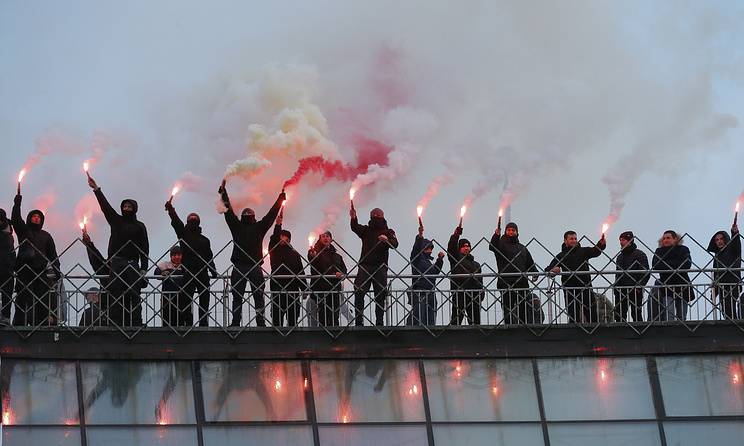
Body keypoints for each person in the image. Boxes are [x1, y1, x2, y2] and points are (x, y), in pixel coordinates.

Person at [219, 181, 285, 327]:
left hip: (240, 267)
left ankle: (236, 322)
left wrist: (223, 193)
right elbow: (271, 214)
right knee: (258, 295)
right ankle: (259, 321)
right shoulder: (259, 227)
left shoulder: (237, 226)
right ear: (254, 217)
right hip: (254, 267)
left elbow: (228, 211)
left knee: (238, 296)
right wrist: (281, 199)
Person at [87, 176, 149, 326]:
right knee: (115, 293)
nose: (126, 209)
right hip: (116, 262)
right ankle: (115, 322)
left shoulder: (140, 226)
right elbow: (105, 207)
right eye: (124, 206)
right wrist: (96, 190)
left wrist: (144, 268)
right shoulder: (116, 220)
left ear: (134, 209)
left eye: (129, 207)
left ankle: (136, 322)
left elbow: (144, 247)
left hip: (133, 264)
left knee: (134, 293)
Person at [164, 201, 217, 327]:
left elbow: (209, 256)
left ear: (198, 222)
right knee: (186, 299)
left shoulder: (205, 240)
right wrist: (171, 210)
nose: (193, 220)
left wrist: (213, 270)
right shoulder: (183, 235)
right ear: (188, 222)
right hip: (188, 272)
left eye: (195, 219)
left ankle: (203, 323)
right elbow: (177, 223)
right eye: (191, 218)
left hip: (202, 273)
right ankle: (188, 323)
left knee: (204, 299)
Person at [11, 193, 59, 326]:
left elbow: (53, 255)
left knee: (42, 299)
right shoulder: (24, 230)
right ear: (29, 218)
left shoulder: (46, 236)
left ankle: (41, 323)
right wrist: (17, 203)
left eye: (39, 217)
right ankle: (19, 323)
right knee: (22, 297)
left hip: (40, 271)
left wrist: (57, 270)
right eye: (34, 216)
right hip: (25, 269)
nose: (36, 218)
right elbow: (15, 219)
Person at [350, 207, 399, 326]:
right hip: (366, 265)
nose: (376, 216)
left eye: (378, 215)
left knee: (380, 294)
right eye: (374, 215)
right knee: (359, 291)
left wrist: (387, 240)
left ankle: (379, 322)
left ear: (383, 216)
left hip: (380, 267)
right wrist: (353, 218)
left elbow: (395, 244)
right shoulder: (366, 230)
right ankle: (359, 321)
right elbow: (355, 227)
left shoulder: (388, 231)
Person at [545, 231, 606, 324]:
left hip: (585, 287)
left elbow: (596, 251)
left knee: (591, 313)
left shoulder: (583, 251)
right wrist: (553, 269)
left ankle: (594, 334)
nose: (574, 241)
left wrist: (601, 244)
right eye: (571, 239)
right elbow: (548, 269)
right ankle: (574, 334)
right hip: (570, 289)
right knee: (573, 315)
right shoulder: (561, 255)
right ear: (565, 240)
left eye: (575, 238)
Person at [489, 222, 538, 324]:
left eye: (513, 230)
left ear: (517, 232)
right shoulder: (501, 245)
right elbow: (492, 246)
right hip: (506, 282)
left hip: (521, 282)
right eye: (509, 230)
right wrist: (496, 235)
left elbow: (530, 263)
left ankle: (523, 326)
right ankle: (508, 328)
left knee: (523, 307)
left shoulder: (522, 248)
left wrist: (535, 273)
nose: (511, 232)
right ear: (505, 231)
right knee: (508, 308)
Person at [267, 213, 306, 327]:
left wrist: (304, 288)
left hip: (292, 290)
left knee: (293, 319)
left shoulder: (295, 254)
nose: (282, 238)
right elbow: (274, 238)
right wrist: (278, 225)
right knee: (276, 319)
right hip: (277, 288)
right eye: (281, 236)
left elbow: (300, 271)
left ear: (289, 239)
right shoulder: (274, 250)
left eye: (285, 236)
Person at [308, 231, 347, 326]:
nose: (325, 238)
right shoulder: (316, 252)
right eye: (323, 236)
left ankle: (335, 335)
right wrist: (312, 254)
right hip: (321, 288)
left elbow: (344, 270)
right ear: (320, 239)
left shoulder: (337, 256)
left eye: (327, 236)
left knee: (335, 314)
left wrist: (341, 274)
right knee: (323, 315)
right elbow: (313, 260)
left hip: (335, 289)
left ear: (331, 239)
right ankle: (324, 336)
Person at [447, 225, 484, 325]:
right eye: (463, 246)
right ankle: (454, 337)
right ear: (459, 248)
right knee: (456, 320)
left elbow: (480, 280)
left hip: (474, 295)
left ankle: (477, 338)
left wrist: (482, 293)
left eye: (468, 246)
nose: (466, 248)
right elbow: (451, 248)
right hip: (460, 293)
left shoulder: (476, 264)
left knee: (475, 322)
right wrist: (456, 235)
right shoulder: (456, 258)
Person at [652, 230, 692, 321]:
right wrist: (676, 264)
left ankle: (681, 334)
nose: (665, 240)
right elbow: (655, 265)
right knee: (669, 315)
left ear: (675, 239)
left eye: (668, 238)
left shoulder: (683, 249)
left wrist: (665, 264)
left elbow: (686, 264)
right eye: (664, 238)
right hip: (667, 287)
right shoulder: (659, 251)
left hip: (682, 286)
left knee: (682, 317)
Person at [409, 225, 444, 325]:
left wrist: (439, 261)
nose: (430, 250)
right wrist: (420, 236)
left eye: (431, 248)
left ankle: (430, 331)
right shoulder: (417, 259)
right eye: (428, 248)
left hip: (431, 291)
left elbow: (435, 273)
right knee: (419, 317)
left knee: (430, 318)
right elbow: (416, 248)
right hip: (420, 291)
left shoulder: (428, 262)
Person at [613, 231, 650, 322]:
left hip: (635, 289)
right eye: (620, 240)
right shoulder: (620, 257)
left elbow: (646, 273)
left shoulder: (640, 254)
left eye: (624, 240)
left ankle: (639, 332)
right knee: (619, 314)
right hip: (621, 289)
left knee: (636, 313)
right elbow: (618, 273)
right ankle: (621, 333)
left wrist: (639, 286)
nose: (621, 242)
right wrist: (616, 287)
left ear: (630, 241)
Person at [706, 223, 741, 320]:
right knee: (725, 310)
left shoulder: (733, 250)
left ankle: (735, 328)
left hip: (733, 284)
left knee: (732, 309)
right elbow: (716, 274)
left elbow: (736, 243)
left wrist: (735, 232)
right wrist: (715, 291)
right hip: (722, 286)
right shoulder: (717, 256)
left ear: (726, 239)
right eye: (717, 240)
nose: (719, 241)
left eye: (721, 239)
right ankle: (732, 328)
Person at [155, 246, 187, 326]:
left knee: (182, 321)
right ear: (171, 256)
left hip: (182, 298)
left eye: (179, 255)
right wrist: (162, 273)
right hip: (167, 298)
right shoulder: (165, 264)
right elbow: (156, 272)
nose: (177, 257)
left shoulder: (185, 266)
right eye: (174, 255)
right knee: (167, 320)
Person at [0, 209, 16, 325]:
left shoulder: (8, 233)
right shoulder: (9, 232)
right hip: (7, 268)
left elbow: (11, 251)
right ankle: (5, 317)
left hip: (7, 269)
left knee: (7, 294)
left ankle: (5, 317)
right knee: (7, 294)